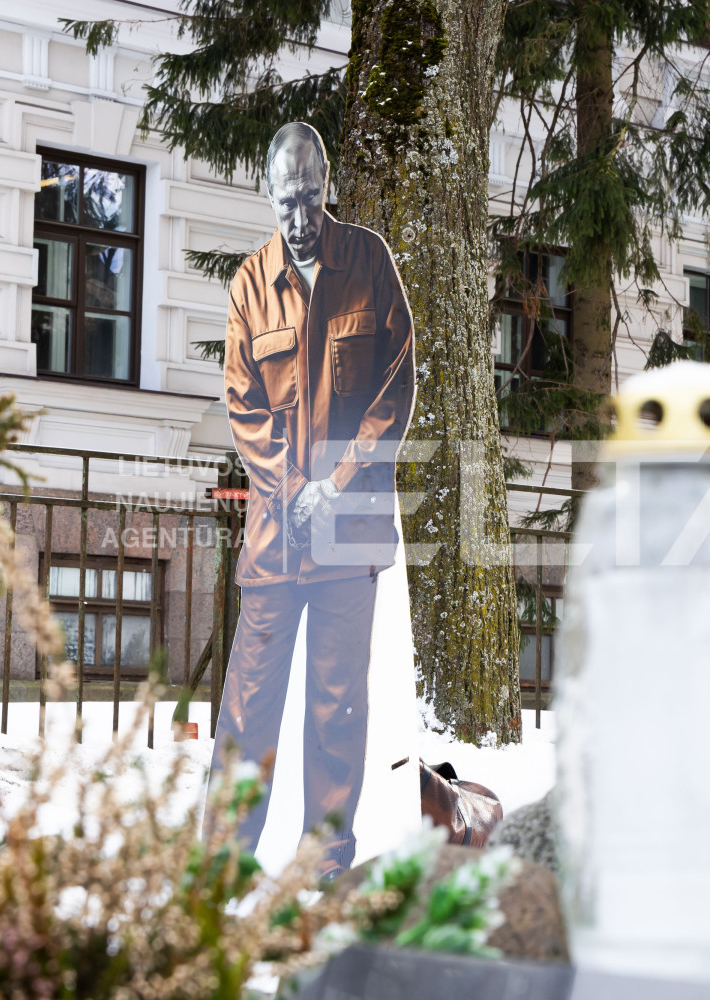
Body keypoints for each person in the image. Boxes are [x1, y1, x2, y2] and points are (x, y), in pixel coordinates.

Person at [207, 122, 415, 876]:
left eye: (310, 196)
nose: (300, 217)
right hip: (276, 533)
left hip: (349, 530)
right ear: (269, 196)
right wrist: (298, 490)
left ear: (327, 185)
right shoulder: (249, 286)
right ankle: (220, 865)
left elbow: (396, 384)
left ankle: (325, 866)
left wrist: (339, 482)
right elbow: (244, 407)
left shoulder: (369, 261)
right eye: (286, 201)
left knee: (337, 709)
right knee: (248, 706)